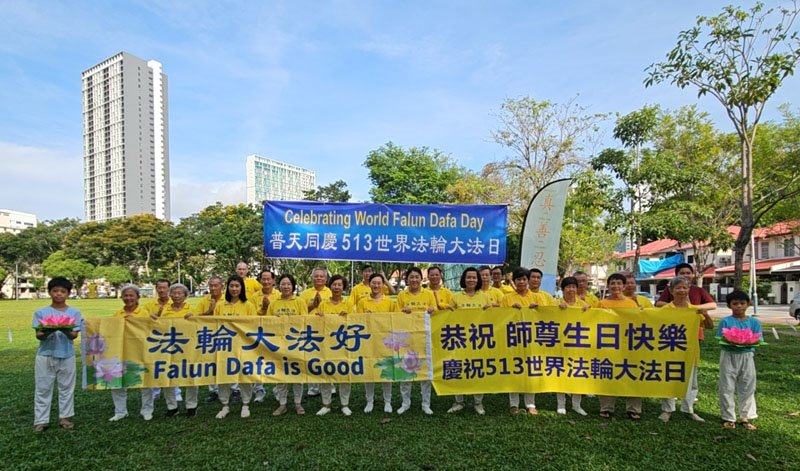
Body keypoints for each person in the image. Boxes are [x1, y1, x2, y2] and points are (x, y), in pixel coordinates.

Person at [658, 276, 715, 423]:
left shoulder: (694, 311)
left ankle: (689, 409)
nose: (682, 290)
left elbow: (709, 326)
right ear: (671, 291)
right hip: (669, 350)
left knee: (691, 381)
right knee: (669, 379)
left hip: (690, 351)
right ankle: (667, 409)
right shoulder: (665, 310)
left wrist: (705, 314)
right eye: (678, 288)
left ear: (689, 289)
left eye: (685, 287)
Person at [32, 277, 82, 432]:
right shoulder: (41, 312)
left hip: (67, 354)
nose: (59, 294)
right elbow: (39, 335)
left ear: (68, 293)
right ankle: (41, 420)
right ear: (49, 292)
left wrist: (65, 330)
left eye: (63, 291)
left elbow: (73, 335)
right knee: (43, 387)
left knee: (66, 387)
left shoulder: (74, 312)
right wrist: (49, 330)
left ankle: (65, 418)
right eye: (55, 291)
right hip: (45, 354)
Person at [446, 267, 490, 415]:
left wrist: (489, 310)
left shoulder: (484, 297)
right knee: (458, 368)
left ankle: (478, 402)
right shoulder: (456, 297)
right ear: (464, 279)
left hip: (478, 339)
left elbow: (491, 319)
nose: (471, 280)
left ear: (478, 280)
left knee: (478, 369)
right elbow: (448, 318)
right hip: (459, 339)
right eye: (468, 277)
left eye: (474, 277)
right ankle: (459, 401)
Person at [597, 273, 641, 419]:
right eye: (612, 283)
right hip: (607, 344)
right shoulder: (601, 304)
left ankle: (634, 409)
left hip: (629, 344)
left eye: (619, 283)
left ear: (623, 286)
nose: (615, 286)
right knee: (607, 373)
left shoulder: (632, 304)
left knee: (632, 374)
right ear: (608, 286)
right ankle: (606, 408)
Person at [109, 284, 156, 421]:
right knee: (117, 381)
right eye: (125, 295)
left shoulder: (144, 314)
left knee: (145, 381)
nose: (128, 298)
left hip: (140, 351)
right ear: (122, 297)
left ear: (137, 297)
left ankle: (147, 410)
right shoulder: (117, 314)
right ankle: (120, 411)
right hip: (121, 351)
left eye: (131, 295)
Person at [213, 275, 257, 419]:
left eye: (237, 286)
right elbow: (214, 325)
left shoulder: (248, 306)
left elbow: (253, 326)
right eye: (231, 286)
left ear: (242, 288)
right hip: (224, 346)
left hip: (243, 346)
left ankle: (245, 404)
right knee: (223, 375)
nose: (234, 289)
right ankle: (225, 405)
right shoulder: (220, 306)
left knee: (244, 375)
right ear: (227, 288)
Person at [311, 275, 355, 416]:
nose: (336, 287)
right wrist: (318, 317)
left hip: (344, 344)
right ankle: (326, 404)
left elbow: (355, 323)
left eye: (339, 285)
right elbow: (316, 324)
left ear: (344, 288)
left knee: (345, 375)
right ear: (330, 286)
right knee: (326, 374)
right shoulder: (323, 304)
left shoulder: (348, 305)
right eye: (334, 284)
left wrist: (348, 316)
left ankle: (344, 404)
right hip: (326, 344)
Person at [155, 283, 199, 417]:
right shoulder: (165, 310)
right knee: (167, 376)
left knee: (191, 377)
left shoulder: (192, 310)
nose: (176, 296)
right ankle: (172, 407)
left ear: (185, 296)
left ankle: (191, 406)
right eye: (174, 293)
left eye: (180, 293)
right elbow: (159, 327)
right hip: (169, 348)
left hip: (188, 348)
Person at [718, 290, 761, 431]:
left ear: (748, 304)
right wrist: (731, 340)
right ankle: (728, 418)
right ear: (729, 306)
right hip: (728, 355)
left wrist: (748, 342)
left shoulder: (754, 322)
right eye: (735, 303)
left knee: (748, 386)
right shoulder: (726, 321)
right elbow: (721, 339)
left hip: (747, 356)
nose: (739, 306)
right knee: (726, 386)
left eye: (742, 303)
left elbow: (758, 339)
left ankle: (745, 417)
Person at [396, 266, 436, 415]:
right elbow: (395, 316)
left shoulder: (429, 294)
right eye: (411, 277)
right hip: (407, 339)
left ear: (421, 279)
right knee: (406, 371)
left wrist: (432, 310)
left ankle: (426, 404)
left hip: (424, 339)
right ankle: (405, 403)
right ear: (407, 279)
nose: (414, 280)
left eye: (416, 277)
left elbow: (435, 311)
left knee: (425, 372)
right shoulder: (402, 295)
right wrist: (402, 312)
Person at [267, 274, 309, 416]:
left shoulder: (300, 302)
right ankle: (282, 404)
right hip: (279, 344)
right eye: (283, 284)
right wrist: (275, 320)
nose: (286, 287)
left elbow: (305, 321)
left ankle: (298, 403)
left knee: (297, 374)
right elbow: (267, 323)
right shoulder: (274, 303)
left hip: (296, 343)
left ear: (293, 286)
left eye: (288, 284)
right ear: (279, 286)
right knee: (281, 374)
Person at [357, 272, 397, 414]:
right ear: (369, 284)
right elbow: (357, 322)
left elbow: (396, 320)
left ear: (383, 285)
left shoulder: (390, 302)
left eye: (379, 283)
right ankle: (369, 401)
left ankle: (388, 401)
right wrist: (365, 317)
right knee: (369, 370)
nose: (376, 285)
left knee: (386, 370)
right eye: (373, 283)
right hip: (368, 341)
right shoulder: (362, 302)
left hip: (386, 341)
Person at [501, 267, 539, 415]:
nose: (521, 282)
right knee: (514, 370)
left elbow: (544, 317)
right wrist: (510, 311)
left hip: (531, 340)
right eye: (518, 279)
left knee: (531, 371)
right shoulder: (507, 298)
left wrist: (536, 309)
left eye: (524, 279)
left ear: (528, 280)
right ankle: (514, 404)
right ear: (514, 281)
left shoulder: (536, 297)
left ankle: (530, 403)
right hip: (513, 339)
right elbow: (500, 318)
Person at [555, 276, 588, 416]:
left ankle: (576, 405)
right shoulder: (556, 303)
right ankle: (561, 404)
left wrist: (588, 311)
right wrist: (557, 309)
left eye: (573, 287)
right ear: (562, 289)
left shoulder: (583, 304)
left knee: (578, 373)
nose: (571, 290)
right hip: (561, 345)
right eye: (568, 287)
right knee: (560, 374)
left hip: (579, 345)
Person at [190, 275, 224, 403]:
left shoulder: (228, 299)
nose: (213, 288)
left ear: (222, 286)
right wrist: (209, 312)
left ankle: (233, 389)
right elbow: (196, 317)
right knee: (211, 362)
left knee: (227, 361)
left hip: (225, 335)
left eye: (216, 285)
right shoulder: (204, 300)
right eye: (211, 286)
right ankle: (213, 390)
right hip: (208, 335)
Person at [300, 267, 332, 397]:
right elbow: (301, 312)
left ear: (326, 278)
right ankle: (313, 387)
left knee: (328, 355)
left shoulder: (330, 292)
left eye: (321, 276)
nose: (319, 278)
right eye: (316, 276)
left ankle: (330, 384)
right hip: (310, 329)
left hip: (327, 328)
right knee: (312, 357)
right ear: (312, 278)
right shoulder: (305, 294)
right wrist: (313, 305)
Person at [250, 269, 280, 403]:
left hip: (275, 333)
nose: (266, 282)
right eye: (264, 279)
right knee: (257, 361)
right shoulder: (254, 297)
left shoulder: (279, 294)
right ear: (260, 281)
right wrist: (263, 308)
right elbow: (251, 316)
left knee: (277, 361)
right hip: (258, 333)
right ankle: (259, 390)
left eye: (269, 279)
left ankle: (278, 390)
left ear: (273, 280)